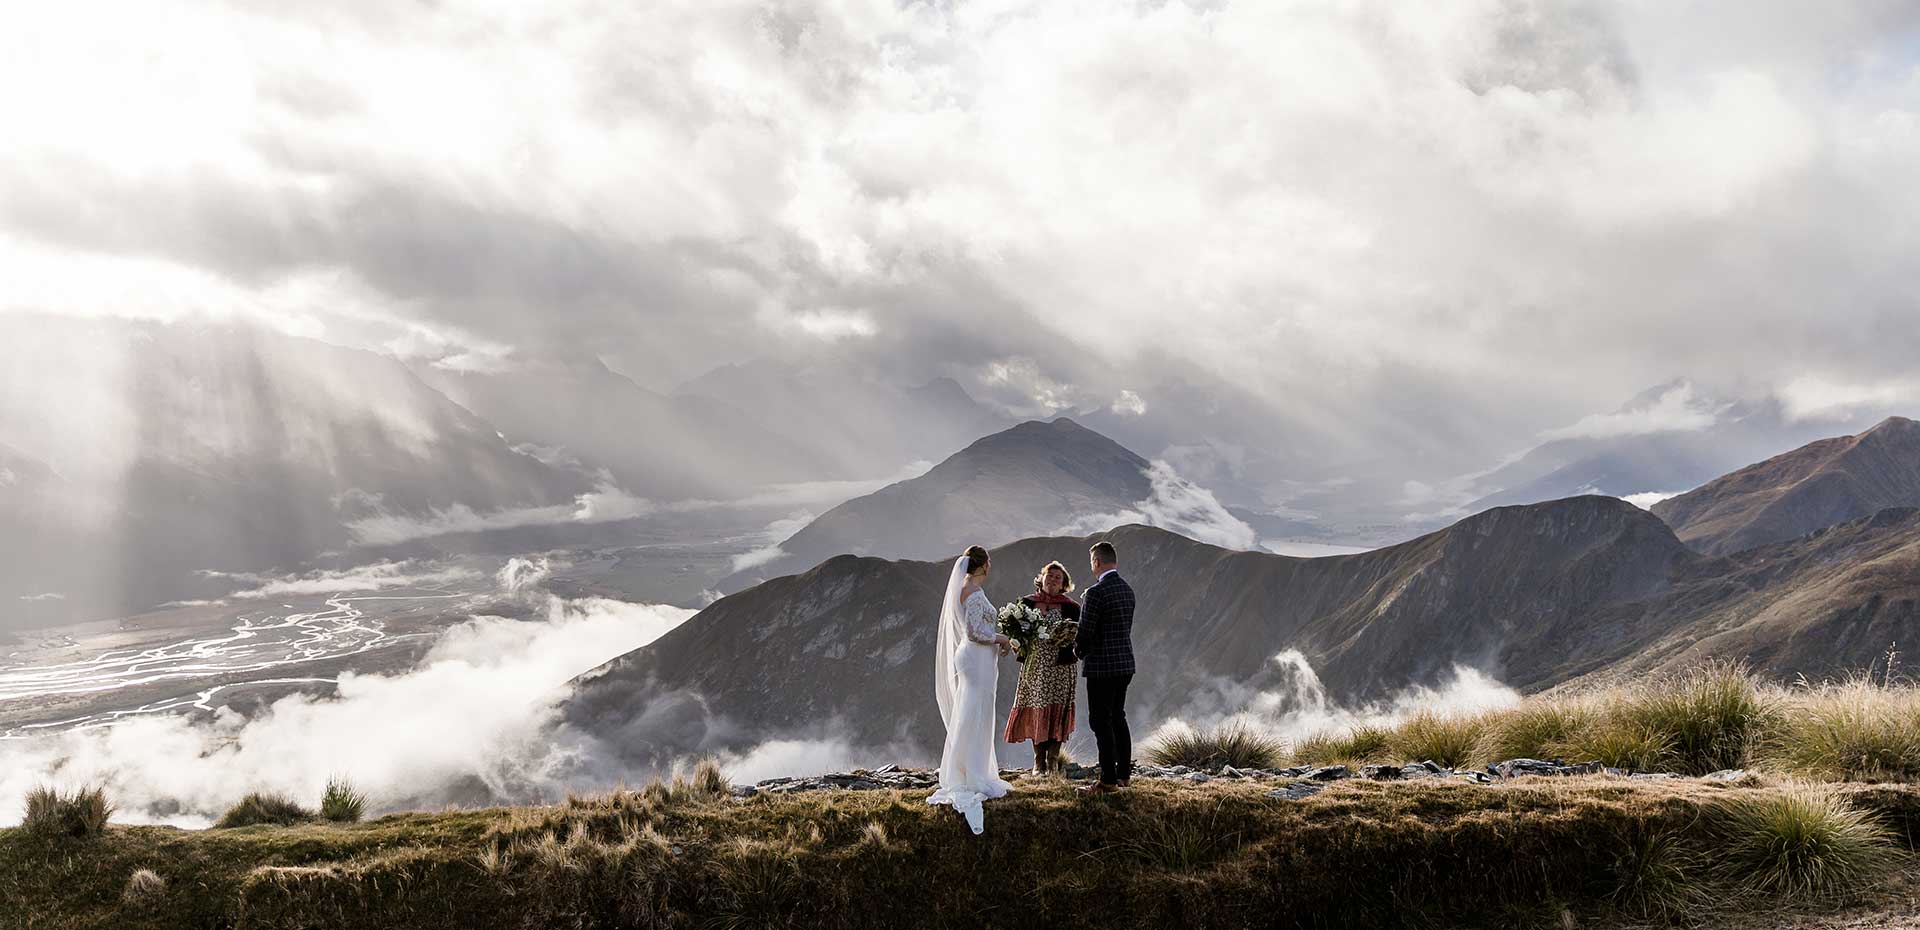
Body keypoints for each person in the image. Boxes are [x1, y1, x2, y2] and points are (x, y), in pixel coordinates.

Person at [927, 545, 1016, 833]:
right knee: (975, 713)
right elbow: (975, 632)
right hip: (976, 660)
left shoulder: (966, 587)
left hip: (975, 659)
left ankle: (966, 768)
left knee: (971, 711)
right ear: (983, 565)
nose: (991, 564)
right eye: (989, 560)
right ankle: (974, 774)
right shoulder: (974, 592)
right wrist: (1002, 639)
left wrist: (997, 640)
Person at [1003, 561, 1080, 775]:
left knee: (1057, 711)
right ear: (1042, 577)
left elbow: (1078, 637)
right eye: (1050, 575)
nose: (1053, 580)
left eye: (1058, 578)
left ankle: (1053, 761)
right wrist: (1017, 644)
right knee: (1037, 709)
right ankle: (1038, 762)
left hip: (1060, 667)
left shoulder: (1071, 607)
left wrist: (1068, 639)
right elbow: (1016, 634)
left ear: (1064, 584)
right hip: (1035, 666)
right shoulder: (1027, 603)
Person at [1073, 540, 1136, 794]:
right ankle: (1124, 775)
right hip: (1124, 664)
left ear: (1097, 562)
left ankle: (1107, 780)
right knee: (1118, 717)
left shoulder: (1095, 593)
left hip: (1102, 667)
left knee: (1100, 721)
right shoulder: (1127, 590)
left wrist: (1077, 651)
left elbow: (1085, 633)